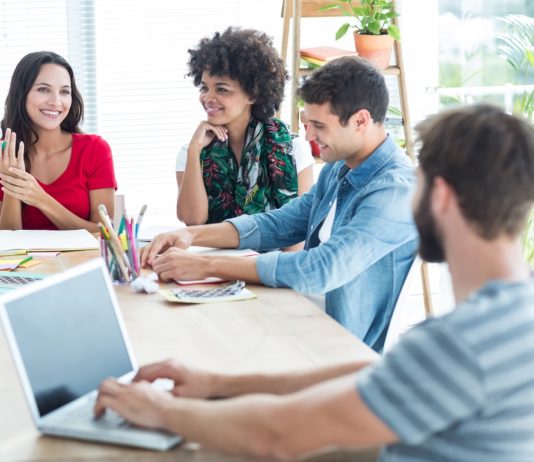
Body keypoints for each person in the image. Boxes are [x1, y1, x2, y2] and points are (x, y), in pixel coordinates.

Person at [96, 104, 534, 461]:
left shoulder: (462, 344)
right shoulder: (511, 312)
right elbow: (380, 374)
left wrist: (163, 410)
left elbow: (279, 435)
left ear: (440, 195)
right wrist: (218, 384)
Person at [144, 56, 418, 352]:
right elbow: (280, 223)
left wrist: (206, 265)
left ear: (360, 120)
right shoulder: (339, 170)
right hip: (307, 315)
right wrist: (189, 235)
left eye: (319, 126)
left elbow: (321, 269)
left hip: (339, 346)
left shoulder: (394, 191)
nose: (310, 136)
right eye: (307, 124)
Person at [176, 27, 314, 225]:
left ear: (253, 94)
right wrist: (194, 151)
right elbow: (193, 221)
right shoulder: (191, 152)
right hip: (210, 256)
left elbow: (298, 233)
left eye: (222, 89)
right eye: (204, 87)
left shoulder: (293, 149)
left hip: (272, 256)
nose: (208, 98)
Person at [0, 51, 116, 231]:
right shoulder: (4, 152)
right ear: (21, 94)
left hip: (83, 260)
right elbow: (7, 242)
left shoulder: (95, 149)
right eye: (43, 89)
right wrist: (12, 183)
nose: (56, 101)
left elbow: (105, 233)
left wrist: (41, 199)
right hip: (26, 260)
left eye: (64, 92)